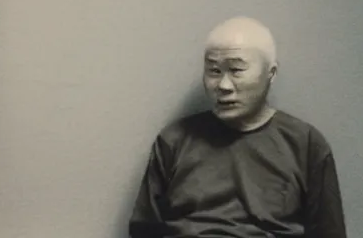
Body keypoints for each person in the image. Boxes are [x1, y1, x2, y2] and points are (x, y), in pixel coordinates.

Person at [129, 16, 347, 238]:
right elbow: (144, 231)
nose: (223, 85)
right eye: (214, 71)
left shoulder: (306, 144)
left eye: (236, 70)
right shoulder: (174, 141)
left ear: (270, 73)